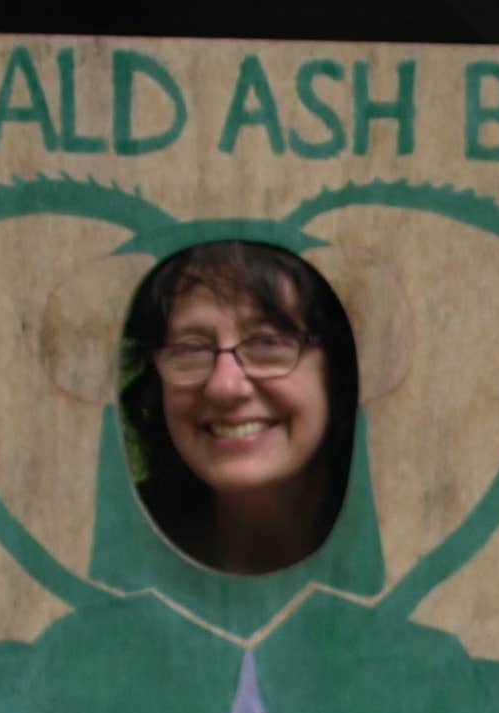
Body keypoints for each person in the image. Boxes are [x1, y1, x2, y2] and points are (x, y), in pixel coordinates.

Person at [117, 241, 361, 574]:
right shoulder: (112, 550)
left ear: (338, 368)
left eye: (268, 342)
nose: (223, 386)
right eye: (190, 349)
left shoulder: (411, 534)